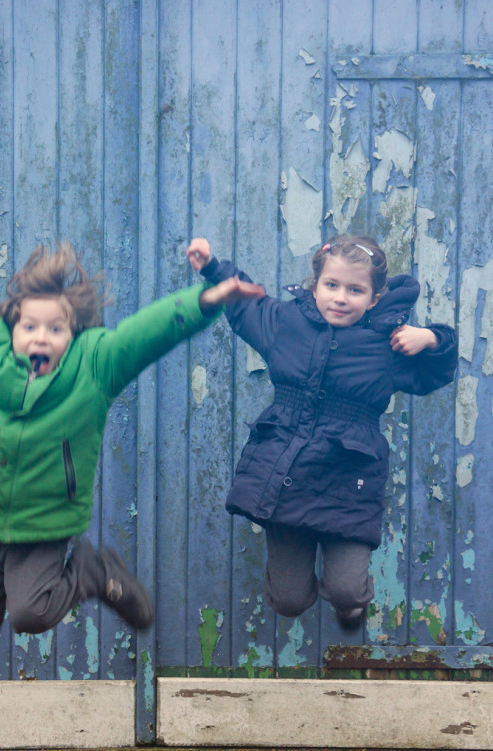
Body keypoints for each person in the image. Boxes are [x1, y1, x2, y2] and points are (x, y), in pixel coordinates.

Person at [0, 221, 264, 639]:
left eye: (56, 329)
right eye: (30, 327)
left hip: (44, 527)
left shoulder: (93, 367)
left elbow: (143, 335)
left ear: (73, 333)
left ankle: (92, 571)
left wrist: (205, 301)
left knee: (30, 614)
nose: (42, 337)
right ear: (12, 326)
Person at [187, 234, 458, 630]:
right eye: (332, 285)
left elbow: (437, 371)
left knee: (346, 589)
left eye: (355, 289)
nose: (341, 297)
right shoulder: (285, 323)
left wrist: (432, 338)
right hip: (287, 476)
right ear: (315, 284)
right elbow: (246, 306)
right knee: (289, 599)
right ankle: (299, 592)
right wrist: (213, 268)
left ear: (375, 298)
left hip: (349, 482)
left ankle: (351, 606)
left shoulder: (387, 345)